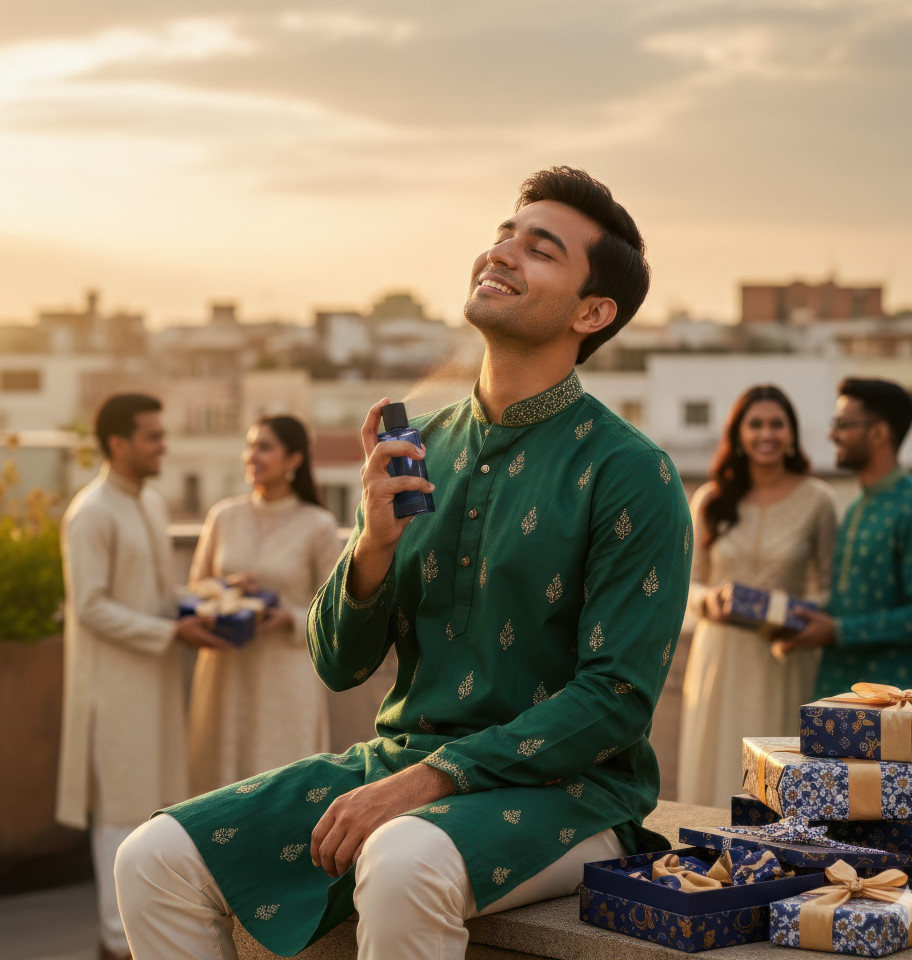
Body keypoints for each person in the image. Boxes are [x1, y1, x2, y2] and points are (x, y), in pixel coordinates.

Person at [115, 166, 692, 960]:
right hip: (398, 760)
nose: (502, 253)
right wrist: (373, 545)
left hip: (573, 794)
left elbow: (617, 698)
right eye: (503, 235)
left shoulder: (631, 471)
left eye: (541, 249)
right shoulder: (417, 449)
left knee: (399, 857)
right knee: (153, 860)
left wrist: (433, 780)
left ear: (592, 312)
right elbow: (339, 663)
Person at [56, 393, 227, 960]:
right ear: (117, 444)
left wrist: (201, 607)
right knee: (121, 814)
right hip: (113, 692)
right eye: (152, 436)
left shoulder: (150, 502)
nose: (163, 446)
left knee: (157, 805)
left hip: (155, 684)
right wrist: (170, 633)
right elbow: (91, 607)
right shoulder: (91, 512)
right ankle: (115, 943)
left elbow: (155, 595)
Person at [676, 385, 837, 808]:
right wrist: (710, 601)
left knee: (778, 770)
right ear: (738, 435)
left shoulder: (818, 500)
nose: (766, 434)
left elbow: (829, 588)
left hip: (783, 654)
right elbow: (687, 584)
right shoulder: (711, 499)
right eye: (756, 424)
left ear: (792, 434)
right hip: (720, 653)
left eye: (776, 424)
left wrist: (790, 612)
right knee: (717, 759)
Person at [187, 414, 343, 794]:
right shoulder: (223, 516)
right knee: (219, 782)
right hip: (226, 667)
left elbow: (337, 608)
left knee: (280, 780)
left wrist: (286, 616)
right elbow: (195, 587)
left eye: (264, 447)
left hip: (284, 674)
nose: (251, 455)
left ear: (294, 460)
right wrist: (227, 586)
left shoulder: (317, 525)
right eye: (249, 445)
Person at [778, 378, 912, 699]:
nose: (832, 435)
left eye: (843, 424)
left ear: (878, 432)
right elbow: (851, 601)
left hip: (894, 709)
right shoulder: (858, 506)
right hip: (841, 699)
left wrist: (837, 631)